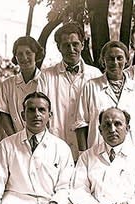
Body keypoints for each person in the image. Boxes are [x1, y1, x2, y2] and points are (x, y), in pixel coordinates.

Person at [38, 22, 101, 160]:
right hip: (55, 147)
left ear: (83, 45)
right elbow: (41, 111)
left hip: (88, 148)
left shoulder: (96, 75)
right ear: (59, 47)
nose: (71, 49)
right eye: (66, 45)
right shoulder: (46, 76)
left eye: (75, 44)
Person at [75, 41, 135, 152]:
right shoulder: (90, 87)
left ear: (127, 60)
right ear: (103, 61)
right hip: (98, 153)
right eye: (110, 58)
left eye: (119, 58)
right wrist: (83, 155)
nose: (115, 62)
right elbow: (81, 124)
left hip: (132, 153)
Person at [0, 36, 45, 136]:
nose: (24, 57)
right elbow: (4, 114)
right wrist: (15, 139)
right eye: (20, 54)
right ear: (15, 57)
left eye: (28, 53)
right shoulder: (7, 84)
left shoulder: (45, 81)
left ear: (36, 54)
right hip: (16, 138)